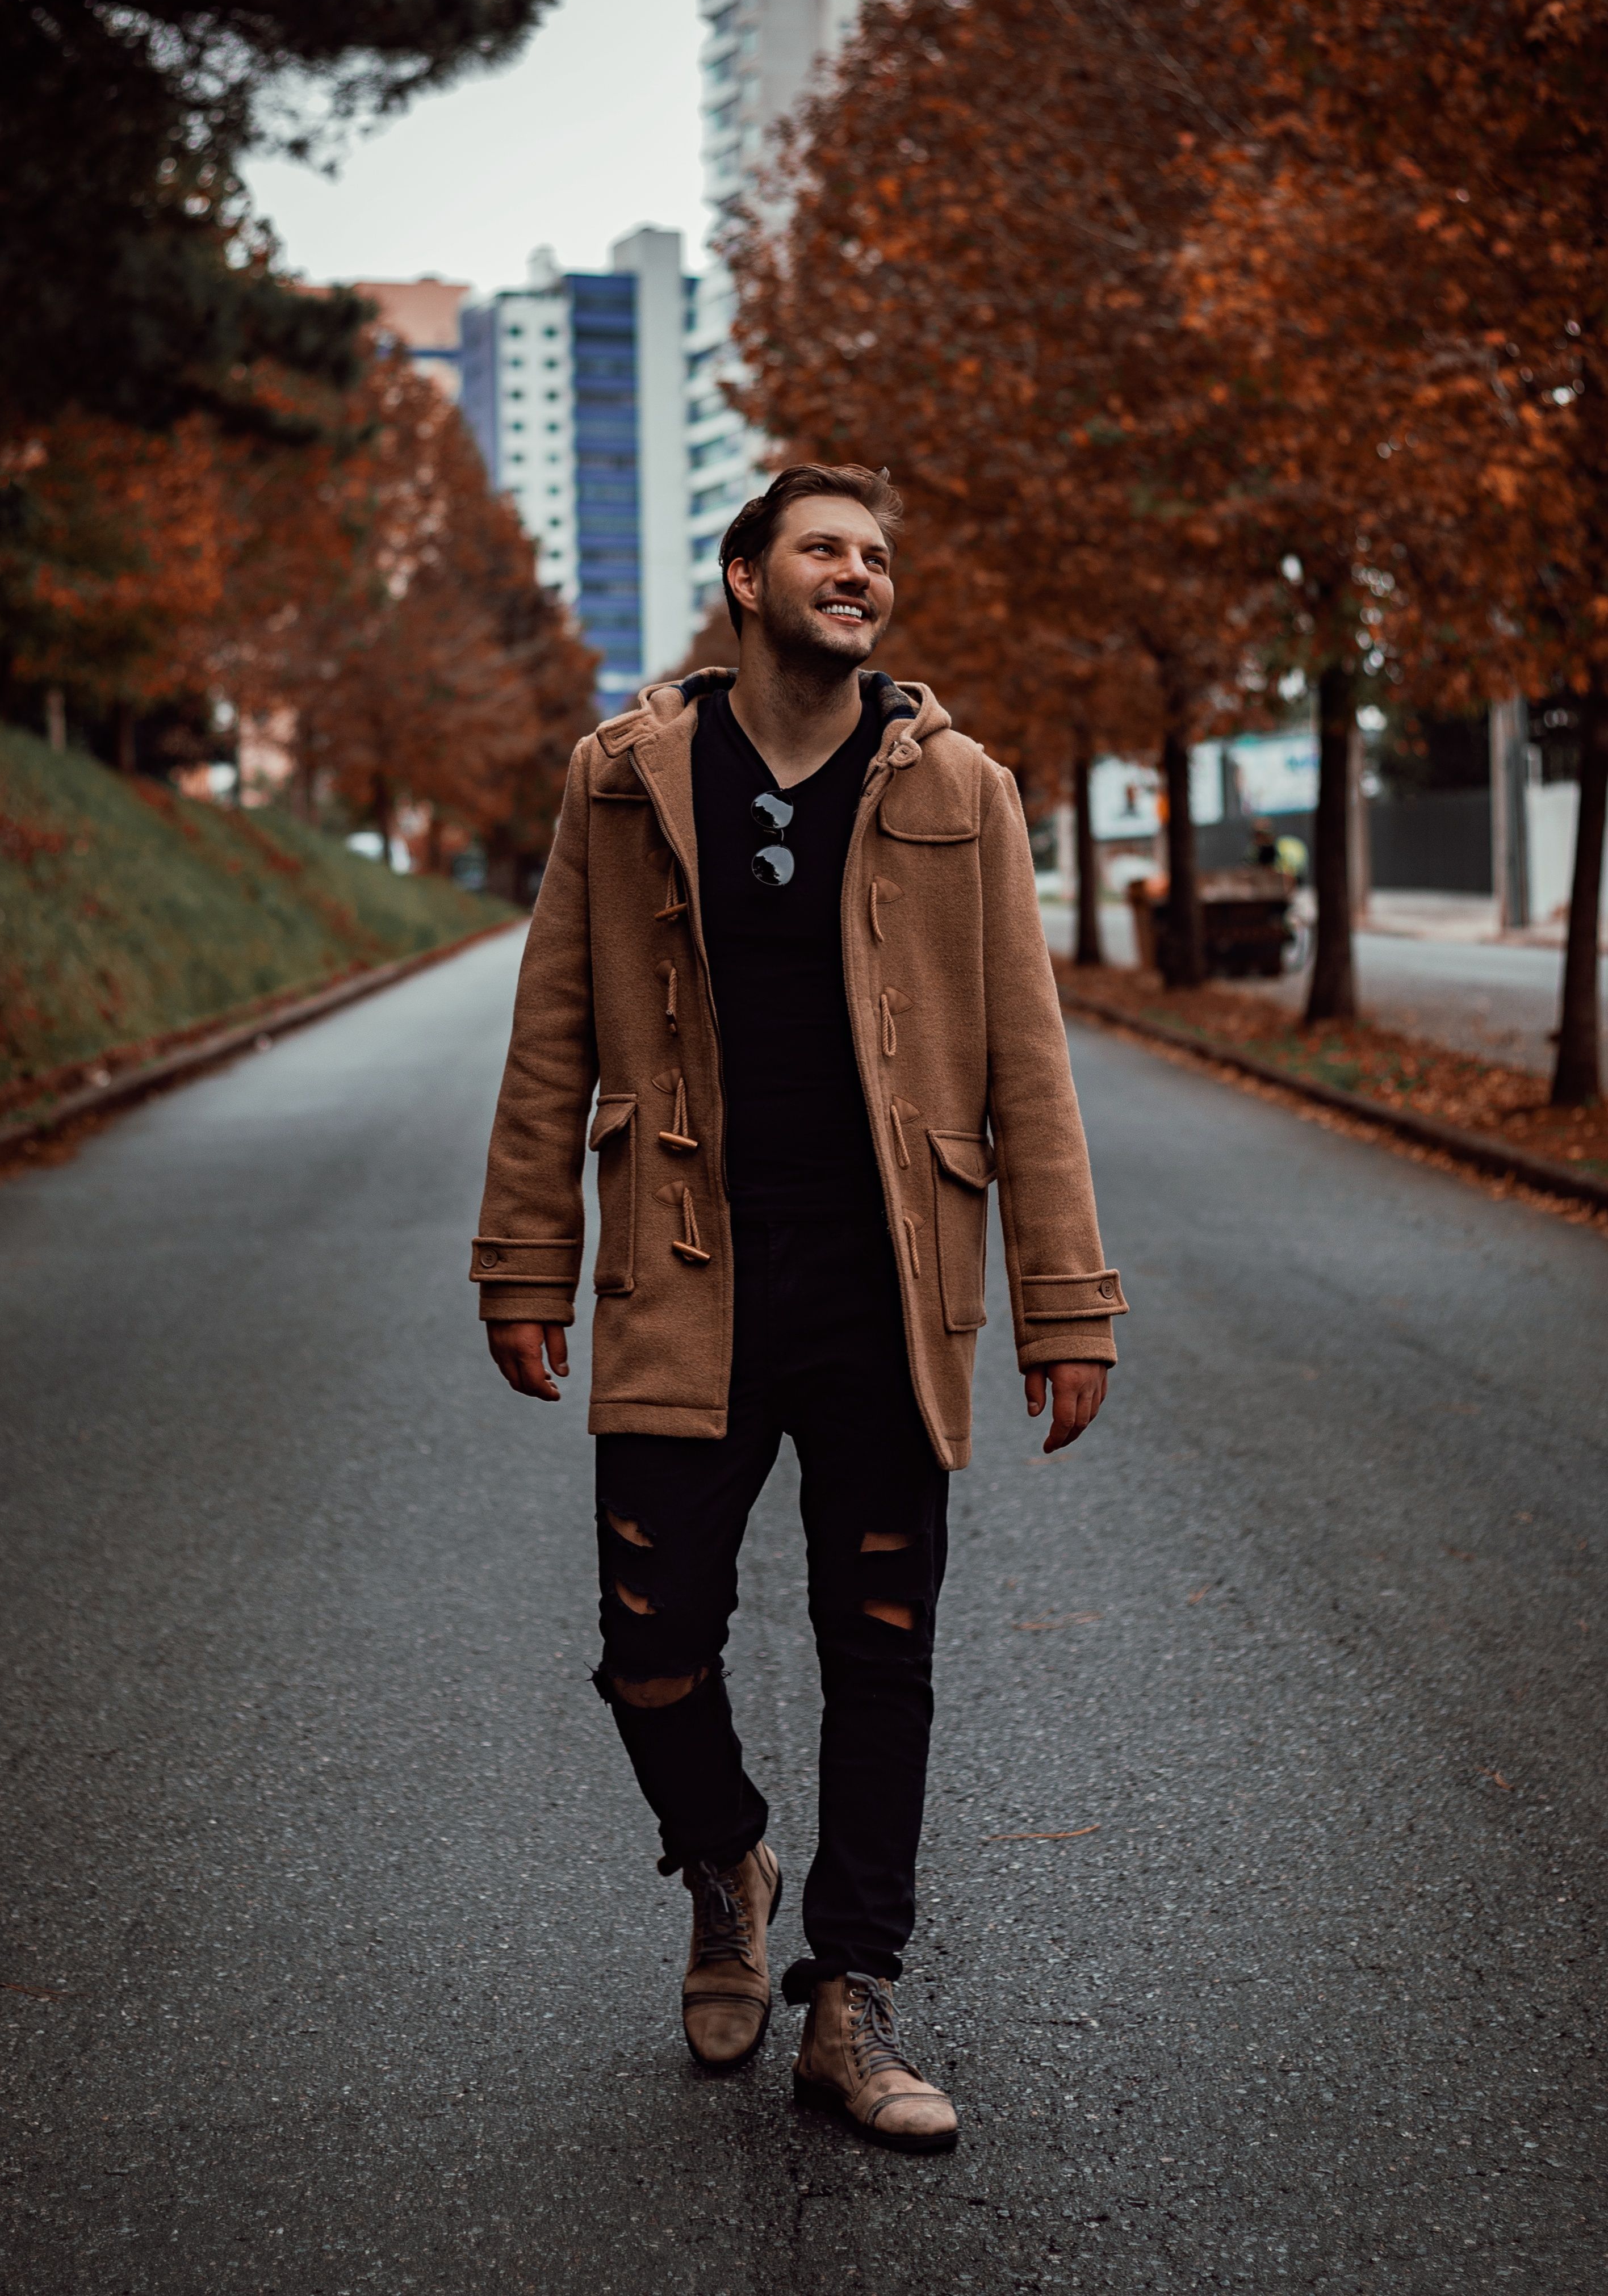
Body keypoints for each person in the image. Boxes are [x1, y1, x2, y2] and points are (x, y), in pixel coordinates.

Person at [474, 463, 1123, 2153]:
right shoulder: (623, 781)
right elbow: (553, 1032)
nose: (862, 575)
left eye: (881, 557)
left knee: (882, 1653)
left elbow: (1029, 1066)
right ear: (746, 580)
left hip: (889, 1288)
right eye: (826, 550)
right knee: (649, 1645)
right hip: (686, 1278)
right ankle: (728, 1864)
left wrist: (1067, 1301)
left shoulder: (963, 789)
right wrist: (521, 1260)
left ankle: (854, 2000)